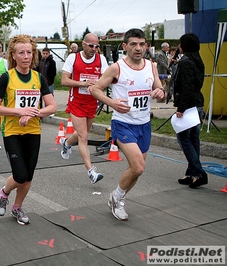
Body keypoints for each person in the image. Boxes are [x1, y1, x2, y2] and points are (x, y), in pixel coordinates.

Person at [88, 28, 165, 221]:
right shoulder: (117, 68)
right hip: (123, 124)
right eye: (133, 44)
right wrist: (112, 102)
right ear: (125, 46)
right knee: (138, 167)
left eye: (141, 44)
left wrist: (160, 92)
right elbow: (94, 88)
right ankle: (117, 198)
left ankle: (117, 197)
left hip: (144, 124)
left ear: (146, 46)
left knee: (136, 170)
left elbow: (159, 88)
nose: (138, 48)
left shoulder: (151, 66)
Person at [0, 34, 57, 225]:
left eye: (29, 52)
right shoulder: (7, 77)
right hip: (12, 132)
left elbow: (51, 106)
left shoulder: (38, 78)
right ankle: (3, 193)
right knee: (20, 175)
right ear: (13, 55)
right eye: (22, 53)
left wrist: (34, 113)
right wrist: (19, 112)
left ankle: (17, 207)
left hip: (33, 131)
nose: (26, 56)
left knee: (28, 176)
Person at [60, 33, 109, 184]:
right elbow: (64, 80)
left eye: (96, 46)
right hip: (76, 102)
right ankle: (91, 171)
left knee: (83, 133)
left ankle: (67, 143)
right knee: (83, 136)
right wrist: (83, 84)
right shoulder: (73, 58)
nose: (94, 49)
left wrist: (98, 85)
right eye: (91, 46)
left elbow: (106, 79)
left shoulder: (101, 59)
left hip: (92, 102)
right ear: (84, 44)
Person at [173, 33, 207, 189]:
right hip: (197, 103)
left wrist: (181, 108)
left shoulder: (186, 62)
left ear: (184, 45)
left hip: (188, 106)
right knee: (194, 139)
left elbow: (187, 87)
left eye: (180, 43)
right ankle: (191, 173)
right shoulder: (198, 60)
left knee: (183, 139)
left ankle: (199, 173)